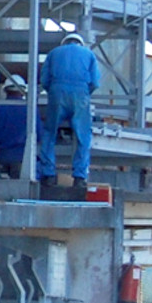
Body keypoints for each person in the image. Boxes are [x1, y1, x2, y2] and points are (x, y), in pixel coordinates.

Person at [38, 32, 100, 188]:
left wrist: (54, 91)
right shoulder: (89, 54)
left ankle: (48, 174)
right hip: (80, 94)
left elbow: (44, 80)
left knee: (49, 133)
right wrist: (84, 94)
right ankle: (79, 177)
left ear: (64, 42)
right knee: (83, 136)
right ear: (80, 43)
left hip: (57, 92)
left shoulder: (53, 53)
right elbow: (95, 82)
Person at [0, 74, 40, 179]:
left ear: (5, 90)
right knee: (22, 189)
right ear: (23, 90)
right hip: (23, 157)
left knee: (6, 187)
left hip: (2, 156)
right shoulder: (30, 109)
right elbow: (39, 134)